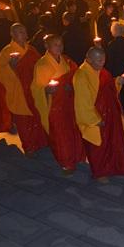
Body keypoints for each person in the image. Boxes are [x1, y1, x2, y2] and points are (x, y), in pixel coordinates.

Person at [74, 47, 124, 183]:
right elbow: (82, 101)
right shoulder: (81, 75)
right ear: (89, 59)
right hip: (95, 115)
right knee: (97, 147)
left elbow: (109, 89)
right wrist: (94, 119)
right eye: (99, 60)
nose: (102, 63)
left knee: (111, 142)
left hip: (109, 114)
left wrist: (118, 82)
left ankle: (114, 167)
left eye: (104, 59)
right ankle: (100, 172)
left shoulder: (103, 72)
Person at [31, 34, 85, 175]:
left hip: (69, 102)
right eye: (55, 44)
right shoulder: (41, 64)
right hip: (54, 106)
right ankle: (66, 163)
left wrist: (71, 85)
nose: (59, 47)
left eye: (61, 44)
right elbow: (36, 88)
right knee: (60, 135)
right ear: (47, 46)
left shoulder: (66, 59)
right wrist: (46, 90)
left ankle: (77, 156)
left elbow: (77, 75)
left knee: (73, 130)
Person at [0, 23, 48, 155]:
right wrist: (12, 67)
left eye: (24, 31)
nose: (24, 34)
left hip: (33, 89)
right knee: (23, 121)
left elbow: (39, 65)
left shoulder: (31, 49)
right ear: (12, 34)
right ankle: (29, 146)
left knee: (36, 116)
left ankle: (40, 142)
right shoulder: (6, 51)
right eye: (20, 32)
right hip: (18, 90)